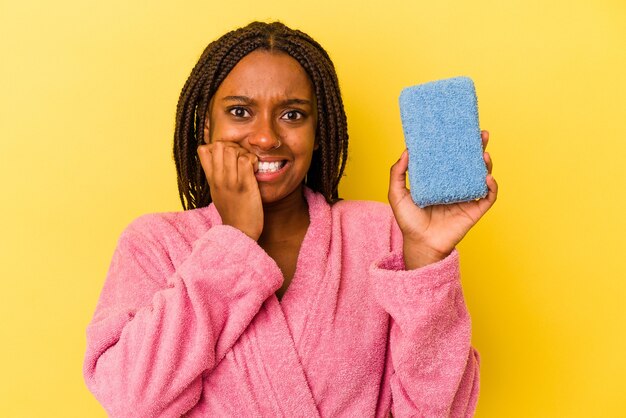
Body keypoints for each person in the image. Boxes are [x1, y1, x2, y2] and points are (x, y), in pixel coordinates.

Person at [83, 21, 497, 418]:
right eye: (240, 112)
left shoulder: (383, 235)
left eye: (293, 115)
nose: (265, 137)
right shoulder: (156, 243)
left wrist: (425, 257)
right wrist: (234, 240)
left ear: (319, 132)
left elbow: (439, 411)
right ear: (207, 126)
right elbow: (130, 403)